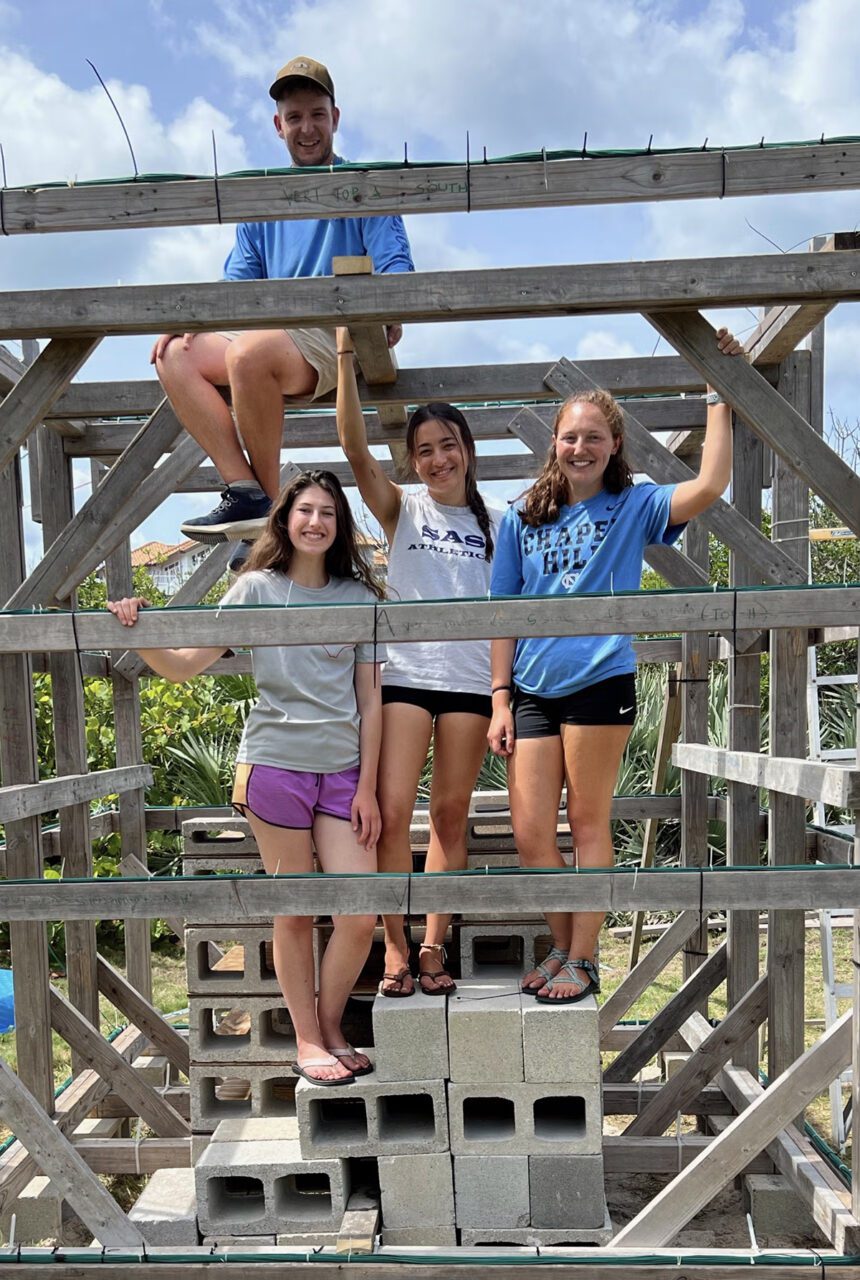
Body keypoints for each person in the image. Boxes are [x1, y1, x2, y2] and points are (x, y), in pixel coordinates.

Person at [487, 328, 743, 1004]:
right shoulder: (521, 518)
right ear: (555, 443)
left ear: (614, 447)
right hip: (533, 689)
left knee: (590, 823)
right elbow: (500, 612)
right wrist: (498, 698)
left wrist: (718, 394)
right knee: (532, 834)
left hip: (601, 681)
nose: (581, 447)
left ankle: (582, 958)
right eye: (571, 436)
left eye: (594, 437)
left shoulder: (634, 506)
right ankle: (567, 947)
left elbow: (711, 482)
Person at [108, 471, 385, 1083]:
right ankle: (308, 1040)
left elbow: (371, 703)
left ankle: (332, 1023)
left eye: (329, 514)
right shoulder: (255, 588)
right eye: (305, 511)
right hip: (274, 767)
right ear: (284, 520)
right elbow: (183, 667)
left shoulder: (359, 599)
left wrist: (367, 786)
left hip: (341, 773)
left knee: (360, 911)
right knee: (293, 912)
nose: (316, 522)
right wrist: (141, 624)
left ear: (340, 526)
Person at [150, 56, 414, 561]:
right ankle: (250, 495)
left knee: (248, 353)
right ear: (279, 126)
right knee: (173, 352)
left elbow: (396, 262)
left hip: (335, 331)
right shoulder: (261, 197)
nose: (307, 128)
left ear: (336, 117)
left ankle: (261, 519)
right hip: (267, 332)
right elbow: (236, 286)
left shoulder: (364, 184)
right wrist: (196, 319)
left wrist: (391, 305)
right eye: (295, 118)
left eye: (317, 114)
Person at [336, 327, 502, 996]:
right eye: (425, 451)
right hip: (404, 679)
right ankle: (396, 948)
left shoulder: (499, 522)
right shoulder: (402, 509)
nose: (439, 460)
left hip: (468, 685)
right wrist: (345, 354)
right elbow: (351, 445)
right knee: (392, 810)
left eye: (449, 446)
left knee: (451, 816)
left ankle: (435, 944)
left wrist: (503, 694)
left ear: (468, 451)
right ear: (412, 462)